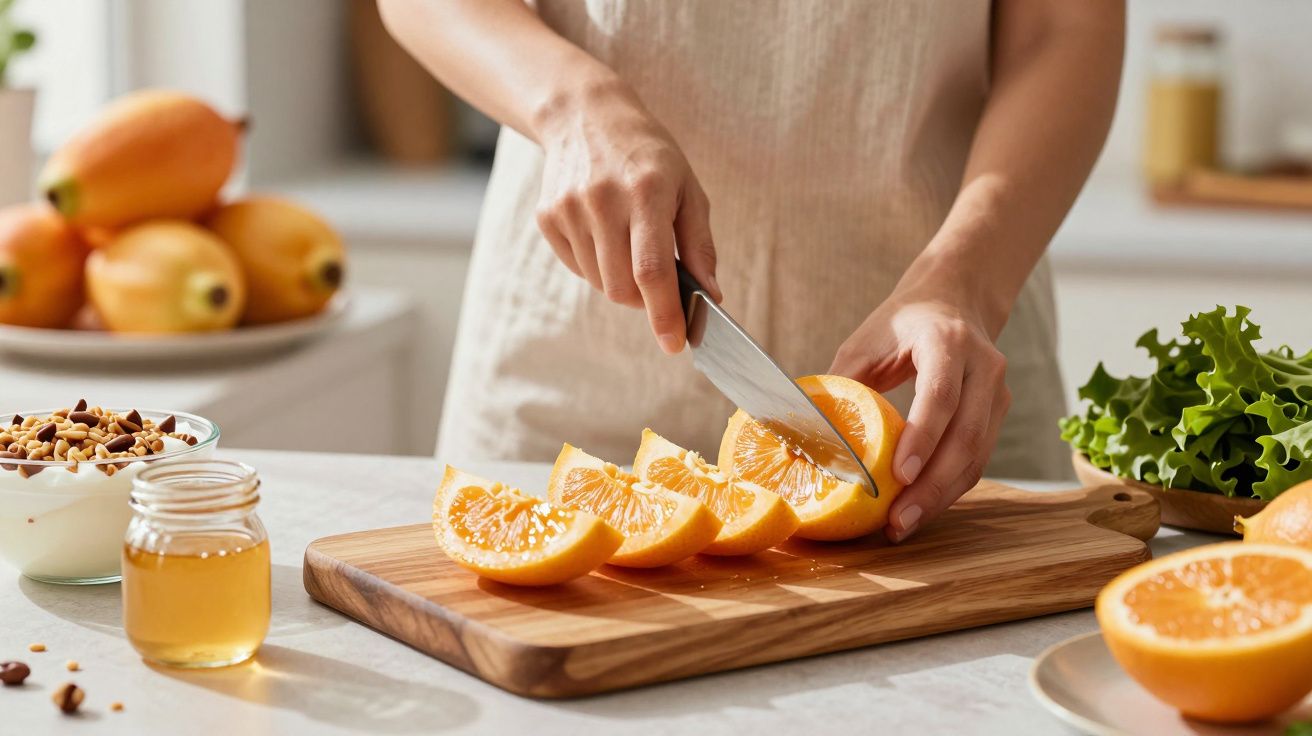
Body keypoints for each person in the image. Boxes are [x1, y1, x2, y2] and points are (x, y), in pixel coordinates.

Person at [380, 0, 1124, 542]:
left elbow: (1067, 26)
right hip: (570, 370)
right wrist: (572, 103)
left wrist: (965, 278)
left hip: (937, 391)